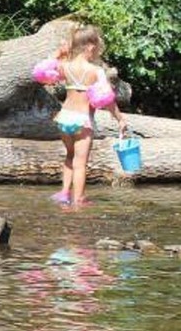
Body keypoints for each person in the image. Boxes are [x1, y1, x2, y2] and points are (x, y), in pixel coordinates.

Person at [47, 25, 128, 207]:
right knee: (80, 163)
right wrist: (120, 118)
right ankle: (79, 200)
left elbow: (44, 70)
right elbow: (107, 100)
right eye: (97, 47)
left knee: (69, 156)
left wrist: (58, 53)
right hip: (82, 121)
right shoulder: (96, 71)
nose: (98, 51)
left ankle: (64, 193)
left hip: (64, 117)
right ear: (90, 46)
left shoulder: (65, 66)